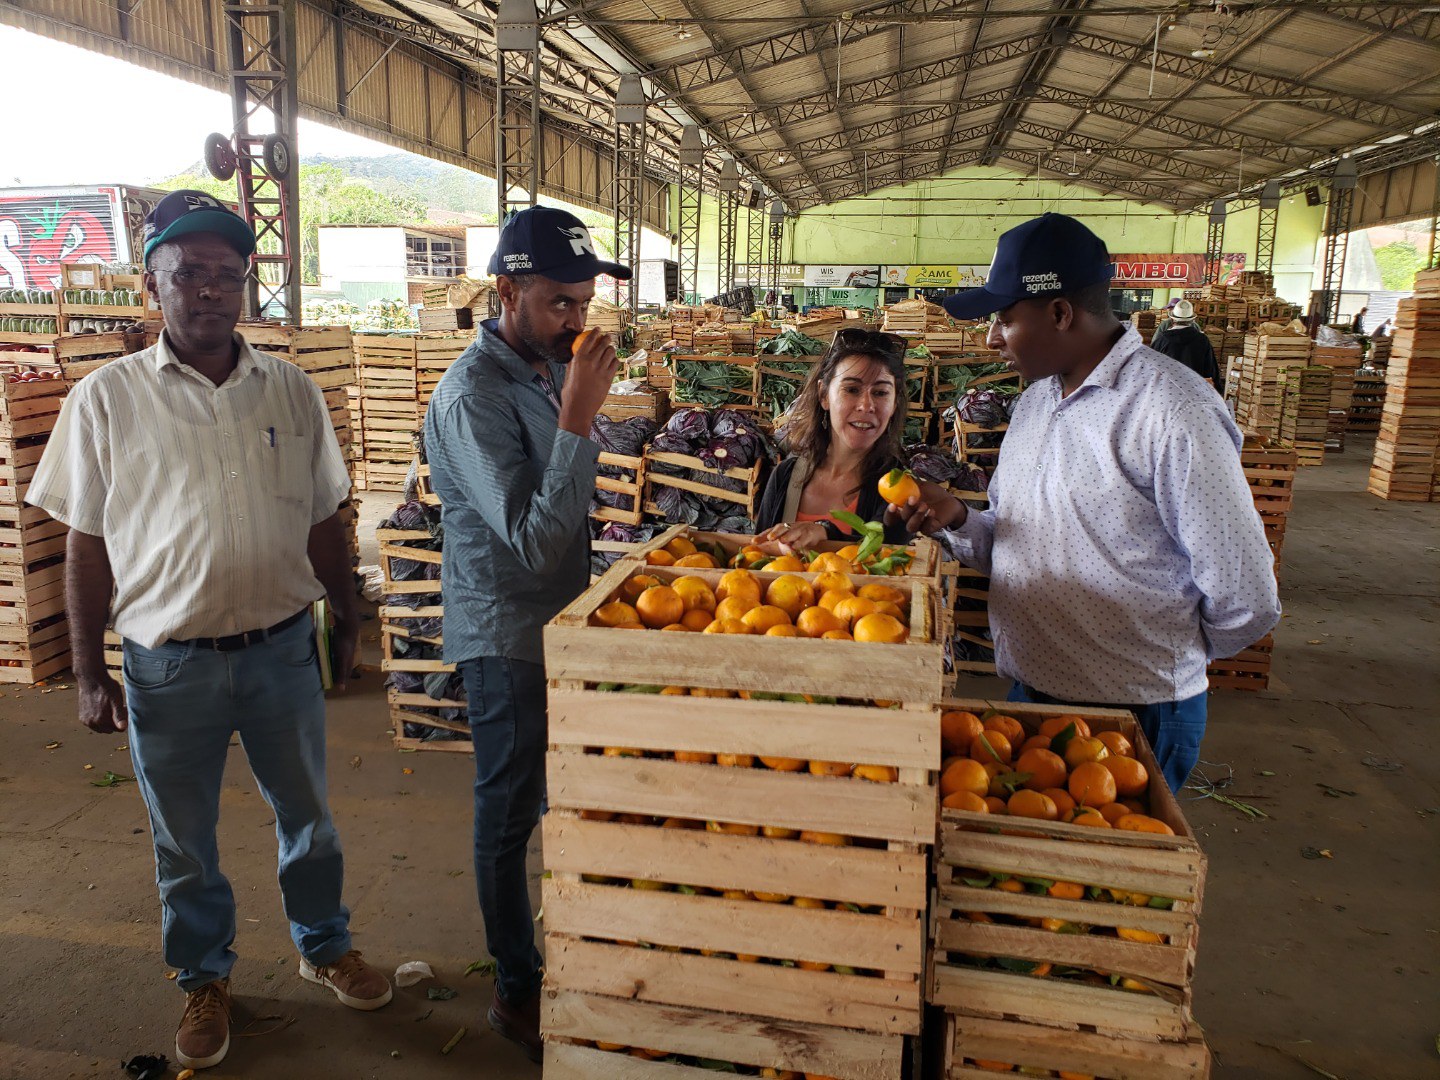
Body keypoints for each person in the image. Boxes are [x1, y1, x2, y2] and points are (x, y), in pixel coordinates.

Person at [26, 190, 391, 1071]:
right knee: (183, 836)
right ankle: (203, 975)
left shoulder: (291, 388)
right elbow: (83, 541)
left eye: (229, 275)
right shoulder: (106, 400)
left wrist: (347, 615)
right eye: (190, 275)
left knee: (309, 816)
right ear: (154, 286)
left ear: (245, 289)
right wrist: (86, 671)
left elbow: (324, 516)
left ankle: (323, 941)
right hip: (167, 664)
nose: (212, 291)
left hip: (279, 652)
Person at [888, 213, 1280, 792]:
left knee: (1114, 875)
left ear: (1060, 313)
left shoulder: (1170, 410)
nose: (993, 339)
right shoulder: (1033, 406)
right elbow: (1021, 541)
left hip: (1132, 711)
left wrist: (1160, 655)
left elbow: (1245, 591)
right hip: (1028, 691)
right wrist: (960, 520)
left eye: (1004, 319)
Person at [422, 206, 627, 1062]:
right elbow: (535, 538)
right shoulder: (473, 395)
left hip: (563, 624)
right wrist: (580, 419)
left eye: (584, 303)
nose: (577, 322)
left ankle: (567, 953)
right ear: (506, 292)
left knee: (561, 799)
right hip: (507, 634)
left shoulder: (540, 367)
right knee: (507, 815)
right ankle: (514, 985)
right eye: (558, 304)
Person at [755, 329, 911, 550]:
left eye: (880, 393)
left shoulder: (898, 490)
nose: (866, 405)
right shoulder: (785, 477)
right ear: (823, 395)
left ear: (894, 403)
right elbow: (756, 559)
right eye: (852, 389)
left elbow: (884, 567)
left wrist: (825, 531)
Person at [1150, 299, 1223, 393]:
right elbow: (1211, 371)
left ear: (1172, 319)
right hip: (1194, 393)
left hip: (1167, 392)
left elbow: (1151, 367)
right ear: (1192, 320)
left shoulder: (1163, 339)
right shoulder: (1202, 340)